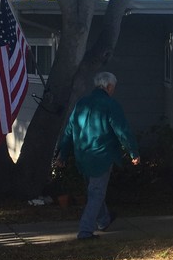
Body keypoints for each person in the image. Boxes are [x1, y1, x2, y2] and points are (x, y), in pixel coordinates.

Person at [55, 71, 140, 239]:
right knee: (97, 193)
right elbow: (122, 130)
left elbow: (69, 131)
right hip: (101, 156)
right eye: (113, 88)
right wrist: (133, 152)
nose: (113, 90)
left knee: (93, 190)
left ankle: (104, 220)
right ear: (109, 87)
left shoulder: (81, 103)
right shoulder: (110, 105)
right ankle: (85, 231)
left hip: (82, 155)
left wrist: (62, 155)